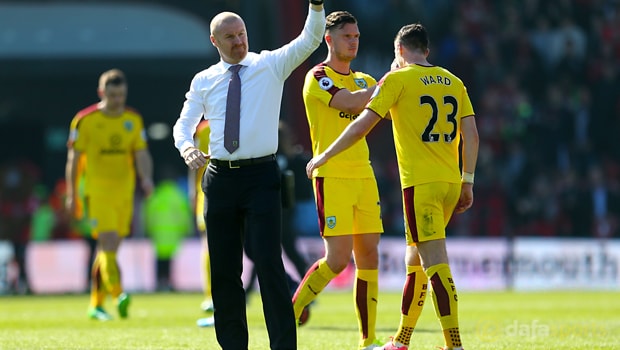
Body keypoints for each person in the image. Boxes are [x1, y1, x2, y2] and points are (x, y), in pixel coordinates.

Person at [306, 23, 479, 350]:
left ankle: (454, 344)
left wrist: (325, 154)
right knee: (414, 262)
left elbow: (361, 126)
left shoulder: (397, 79)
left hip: (420, 185)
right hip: (451, 182)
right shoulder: (455, 82)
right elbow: (471, 135)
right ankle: (401, 340)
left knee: (433, 262)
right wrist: (467, 180)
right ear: (426, 50)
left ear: (399, 51)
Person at [172, 1, 326, 349]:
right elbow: (183, 124)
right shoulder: (204, 80)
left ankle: (283, 346)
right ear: (215, 41)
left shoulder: (269, 64)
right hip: (220, 178)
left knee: (269, 265)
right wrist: (187, 148)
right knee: (225, 271)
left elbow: (311, 37)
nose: (239, 42)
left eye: (241, 34)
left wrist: (316, 5)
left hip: (261, 176)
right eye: (230, 37)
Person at [290, 11, 384, 350]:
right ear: (329, 39)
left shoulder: (365, 79)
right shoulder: (318, 77)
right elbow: (350, 103)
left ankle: (367, 339)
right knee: (338, 259)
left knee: (370, 256)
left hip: (363, 175)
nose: (354, 41)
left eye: (357, 36)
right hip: (332, 176)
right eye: (348, 36)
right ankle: (294, 309)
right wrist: (390, 82)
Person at [65, 68, 154, 321]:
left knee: (108, 249)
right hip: (97, 192)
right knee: (107, 241)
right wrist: (72, 193)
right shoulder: (85, 120)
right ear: (101, 93)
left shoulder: (133, 120)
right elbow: (74, 159)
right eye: (113, 95)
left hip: (123, 193)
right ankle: (118, 294)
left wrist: (146, 178)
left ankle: (96, 305)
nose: (118, 100)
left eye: (121, 95)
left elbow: (141, 153)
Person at [189, 120, 216, 328]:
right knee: (210, 244)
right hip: (206, 192)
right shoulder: (203, 129)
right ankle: (211, 297)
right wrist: (193, 192)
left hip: (230, 190)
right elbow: (194, 164)